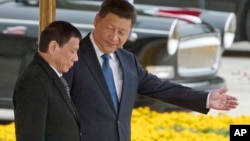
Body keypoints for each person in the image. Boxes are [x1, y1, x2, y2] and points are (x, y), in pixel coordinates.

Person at [63, 0, 238, 141]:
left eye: (122, 32)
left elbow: (160, 87)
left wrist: (206, 98)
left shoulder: (128, 60)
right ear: (96, 21)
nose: (114, 37)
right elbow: (54, 106)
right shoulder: (70, 57)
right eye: (110, 29)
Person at [13, 21, 82, 141]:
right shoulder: (34, 81)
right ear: (53, 47)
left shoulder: (49, 76)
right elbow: (30, 136)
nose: (76, 58)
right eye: (72, 51)